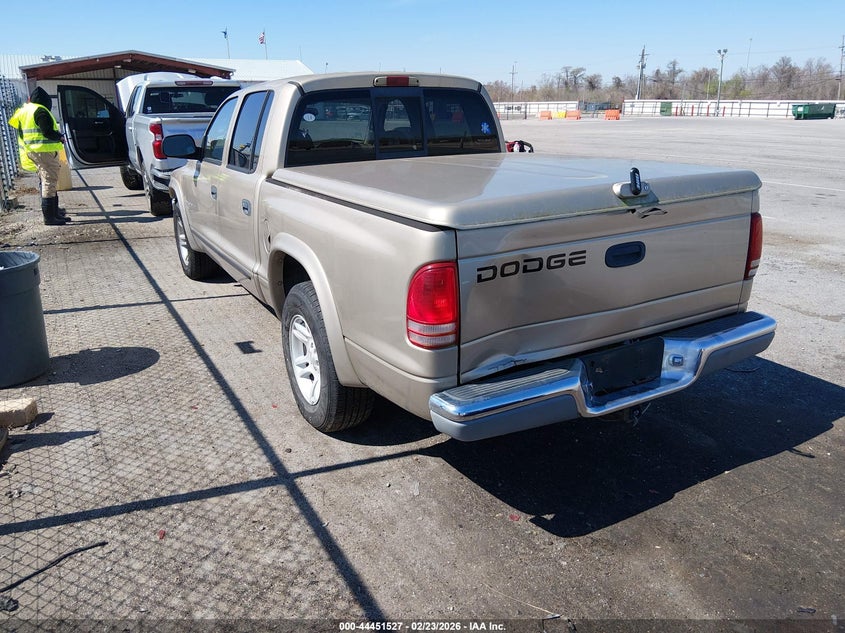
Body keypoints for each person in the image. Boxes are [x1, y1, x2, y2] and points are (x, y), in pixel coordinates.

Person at [8, 87, 70, 225]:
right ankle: (50, 217)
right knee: (49, 181)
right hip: (44, 151)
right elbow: (46, 131)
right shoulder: (40, 111)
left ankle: (54, 213)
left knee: (46, 180)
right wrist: (59, 137)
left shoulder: (26, 111)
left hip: (34, 151)